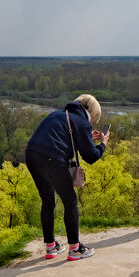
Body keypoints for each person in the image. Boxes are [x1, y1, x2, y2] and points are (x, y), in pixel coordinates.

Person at [25, 94, 107, 260]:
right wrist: (103, 144)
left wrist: (87, 137)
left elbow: (59, 137)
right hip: (51, 158)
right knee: (70, 201)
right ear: (91, 112)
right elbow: (90, 157)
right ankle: (75, 249)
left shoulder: (58, 114)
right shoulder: (82, 122)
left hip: (32, 154)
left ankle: (50, 247)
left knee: (47, 201)